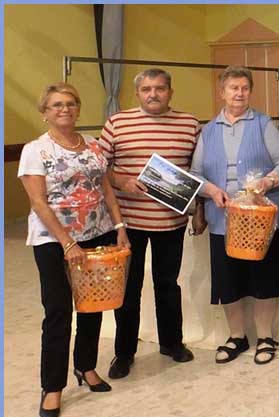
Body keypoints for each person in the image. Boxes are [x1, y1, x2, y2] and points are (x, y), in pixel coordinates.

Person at [18, 82, 131, 417]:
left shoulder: (94, 145)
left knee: (92, 306)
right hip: (54, 241)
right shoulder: (36, 150)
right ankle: (52, 386)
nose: (64, 109)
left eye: (70, 103)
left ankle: (85, 366)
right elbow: (38, 202)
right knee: (58, 311)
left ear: (78, 109)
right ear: (44, 113)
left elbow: (106, 190)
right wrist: (68, 243)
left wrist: (120, 227)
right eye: (56, 105)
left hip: (97, 234)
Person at [98, 68, 202, 379]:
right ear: (137, 93)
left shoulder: (190, 124)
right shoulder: (117, 123)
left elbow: (199, 172)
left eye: (159, 88)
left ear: (170, 91)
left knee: (168, 284)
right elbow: (100, 168)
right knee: (129, 288)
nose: (153, 94)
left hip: (171, 221)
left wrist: (199, 209)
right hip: (127, 223)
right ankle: (124, 353)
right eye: (146, 89)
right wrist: (122, 181)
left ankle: (172, 343)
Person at [190, 65, 279, 365]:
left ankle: (265, 337)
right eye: (233, 88)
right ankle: (237, 336)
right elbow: (195, 174)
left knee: (265, 279)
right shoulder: (209, 130)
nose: (239, 93)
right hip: (223, 220)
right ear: (221, 92)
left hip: (262, 221)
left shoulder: (263, 124)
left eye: (245, 88)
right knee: (229, 281)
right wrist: (211, 191)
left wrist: (267, 182)